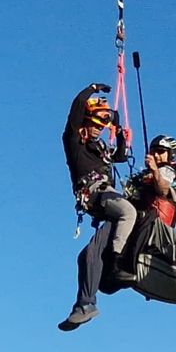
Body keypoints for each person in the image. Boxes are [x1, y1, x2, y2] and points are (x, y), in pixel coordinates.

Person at [58, 85, 134, 332]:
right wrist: (90, 90)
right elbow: (74, 113)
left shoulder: (101, 148)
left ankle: (86, 303)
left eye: (102, 127)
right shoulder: (75, 142)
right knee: (127, 212)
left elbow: (120, 156)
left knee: (89, 254)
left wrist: (119, 133)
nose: (99, 130)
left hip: (106, 197)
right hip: (95, 195)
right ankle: (114, 266)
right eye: (96, 125)